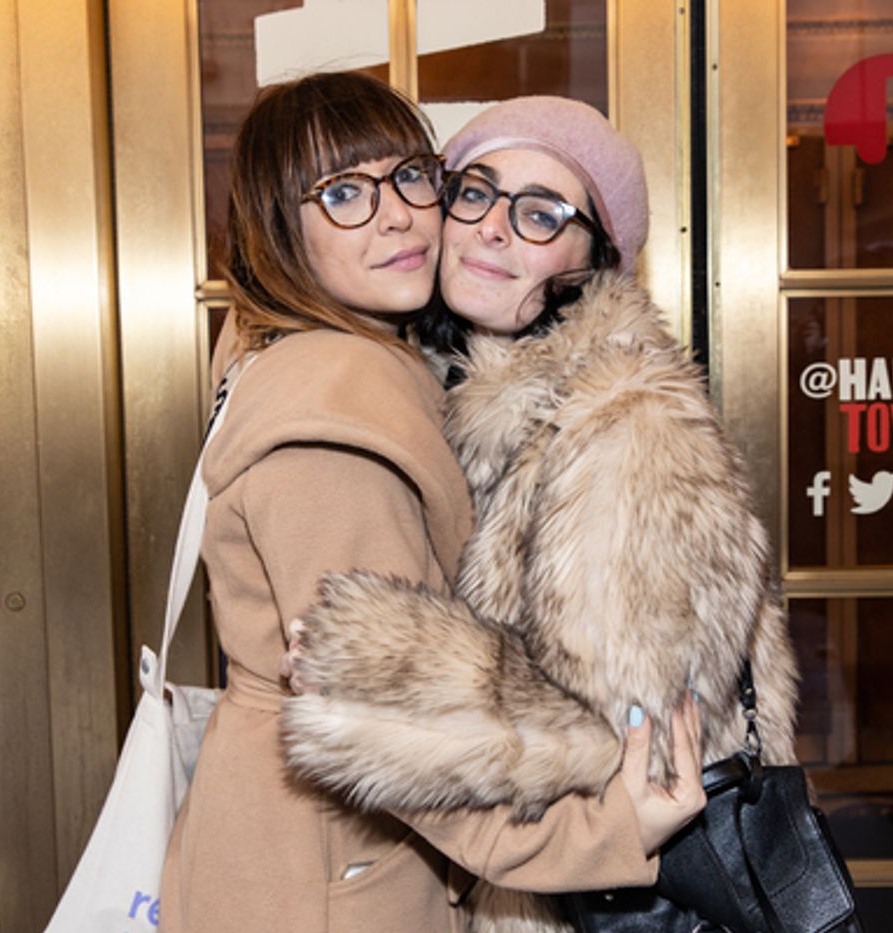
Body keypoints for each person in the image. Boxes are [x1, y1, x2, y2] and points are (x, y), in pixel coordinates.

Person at [159, 73, 704, 933]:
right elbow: (392, 729)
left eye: (411, 177)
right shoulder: (336, 422)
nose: (397, 216)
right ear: (279, 229)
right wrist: (604, 832)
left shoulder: (337, 352)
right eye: (343, 194)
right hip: (328, 881)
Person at [282, 96, 799, 931]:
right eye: (475, 191)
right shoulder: (436, 391)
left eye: (541, 213)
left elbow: (635, 742)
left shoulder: (627, 421)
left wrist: (381, 660)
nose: (492, 227)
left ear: (595, 259)